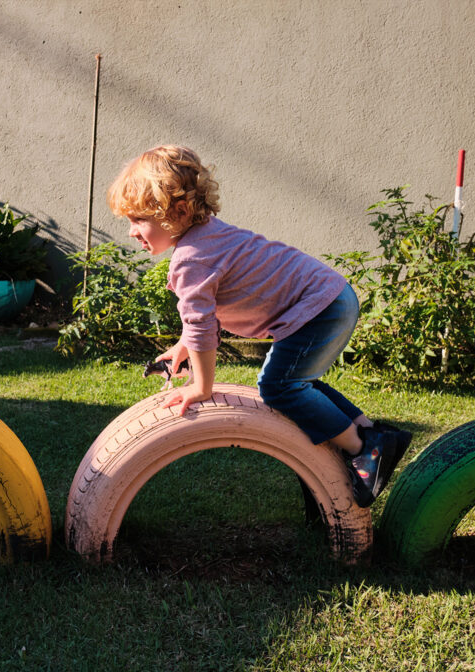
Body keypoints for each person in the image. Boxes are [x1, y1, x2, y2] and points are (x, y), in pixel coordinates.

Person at [106, 144, 411, 507]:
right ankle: (370, 433)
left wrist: (201, 387)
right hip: (330, 298)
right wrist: (183, 346)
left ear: (180, 212)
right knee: (297, 382)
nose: (131, 231)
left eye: (138, 220)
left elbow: (202, 326)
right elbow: (201, 319)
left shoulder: (191, 259)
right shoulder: (207, 237)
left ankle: (364, 450)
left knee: (278, 387)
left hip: (319, 308)